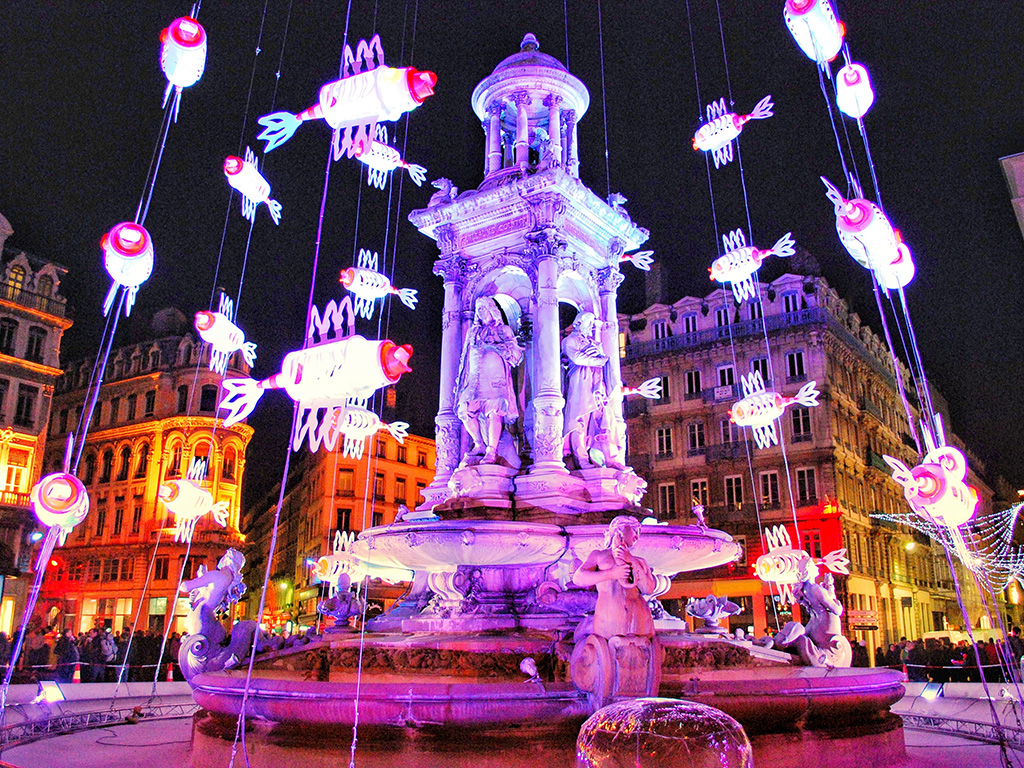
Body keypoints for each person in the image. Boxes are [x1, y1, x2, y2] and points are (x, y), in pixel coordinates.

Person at [454, 296, 524, 466]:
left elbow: (517, 356)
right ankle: (479, 444)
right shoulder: (473, 332)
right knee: (465, 409)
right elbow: (465, 356)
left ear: (493, 310)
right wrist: (461, 379)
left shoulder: (504, 330)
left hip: (495, 378)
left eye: (484, 308)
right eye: (479, 309)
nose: (481, 312)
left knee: (494, 411)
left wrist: (496, 347)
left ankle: (491, 451)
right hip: (474, 378)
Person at [572, 516, 656, 638]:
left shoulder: (639, 561)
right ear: (620, 529)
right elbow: (578, 578)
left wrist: (630, 559)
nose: (637, 536)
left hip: (638, 620)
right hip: (608, 620)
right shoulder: (599, 556)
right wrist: (612, 573)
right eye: (634, 530)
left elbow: (648, 589)